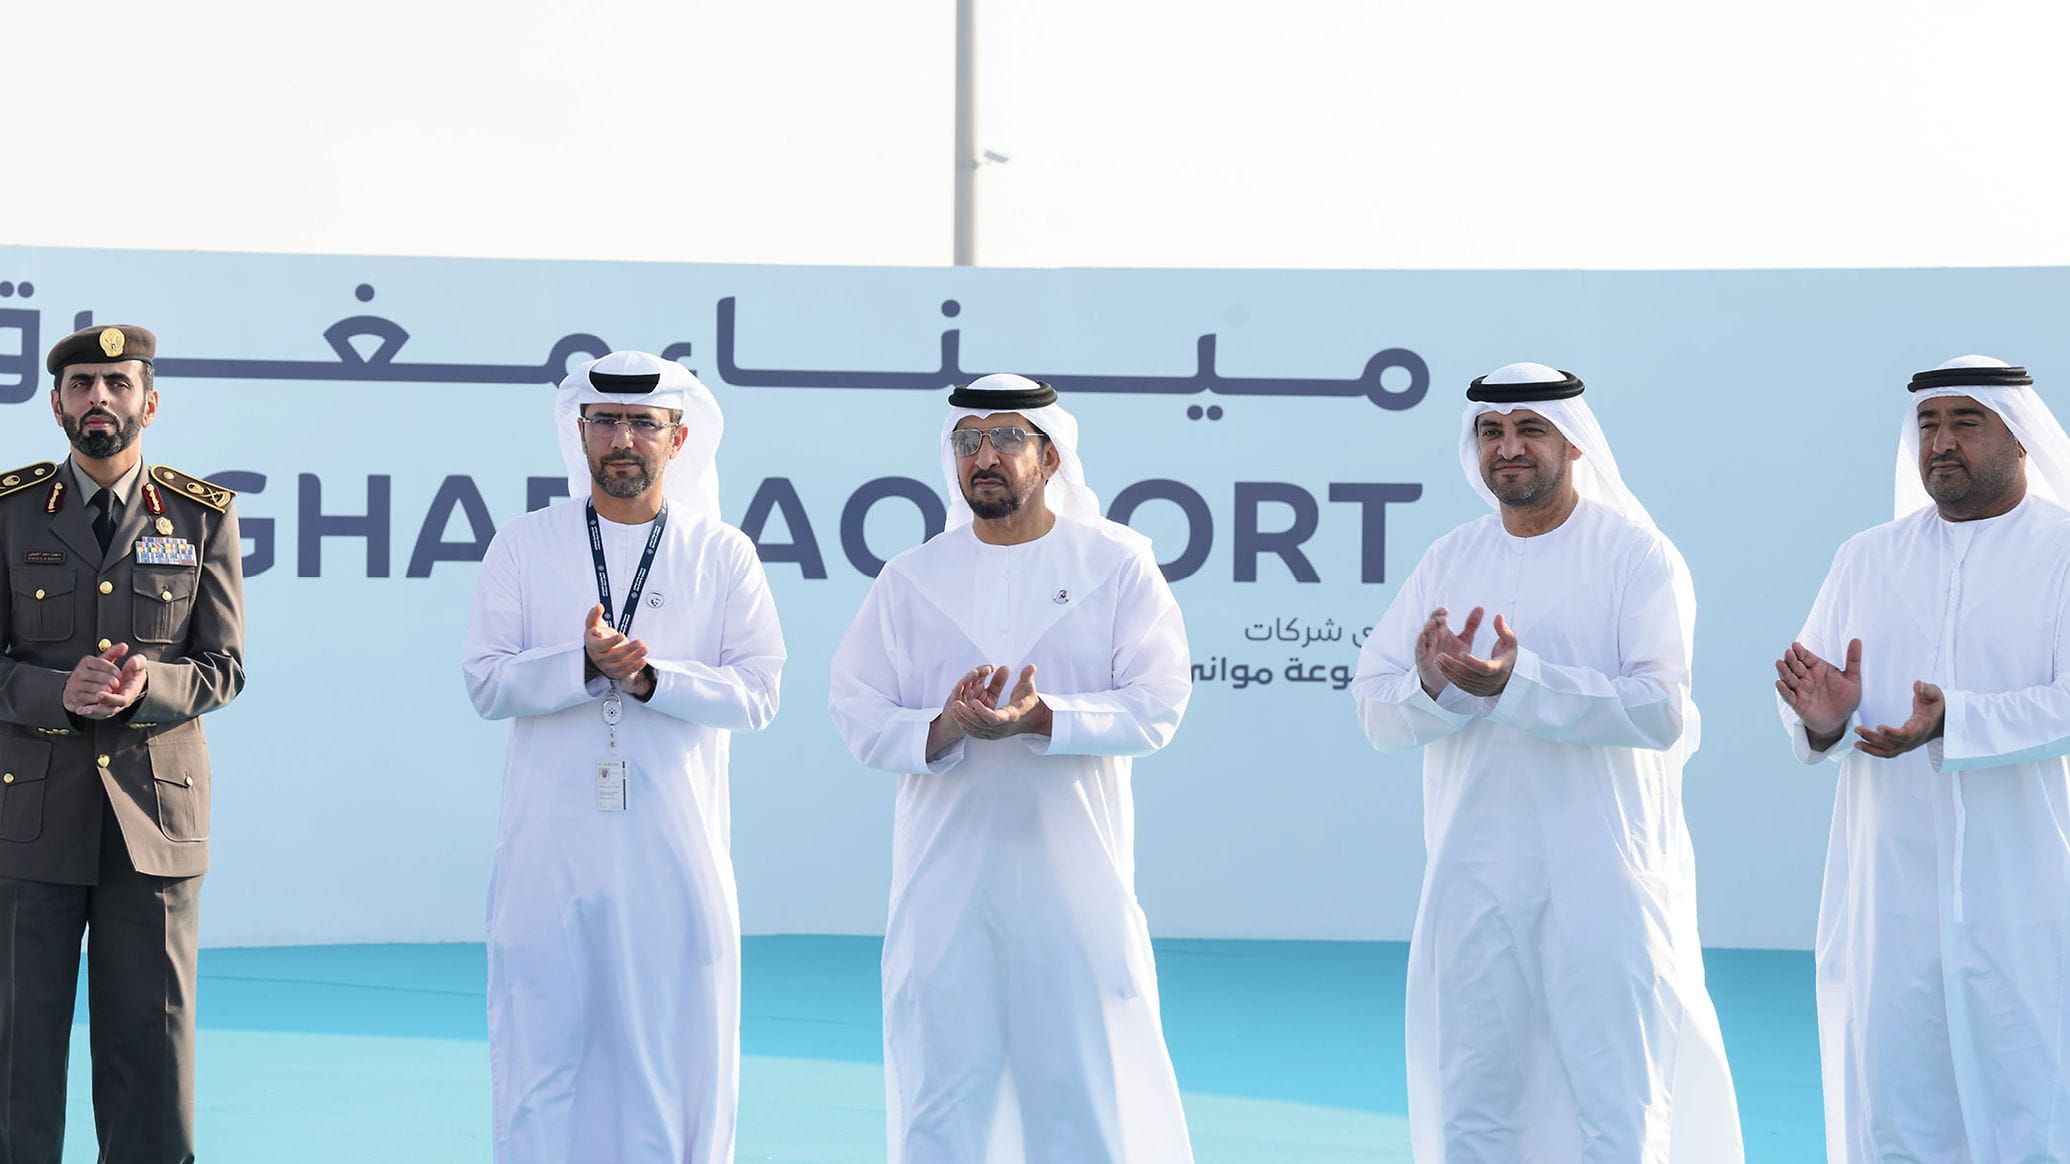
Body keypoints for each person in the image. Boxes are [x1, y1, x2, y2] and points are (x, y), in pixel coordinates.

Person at [1350, 362, 1742, 1161]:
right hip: (1474, 872)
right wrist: (1431, 683)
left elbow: (1661, 710)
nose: (1509, 448)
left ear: (1574, 442)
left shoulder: (1638, 556)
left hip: (1603, 871)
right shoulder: (1450, 558)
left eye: (1530, 428)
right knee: (1475, 1095)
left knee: (1615, 1099)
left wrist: (1515, 682)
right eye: (1491, 432)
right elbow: (1376, 709)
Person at [828, 374, 1194, 1163]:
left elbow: (1158, 704)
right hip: (944, 883)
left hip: (1073, 881)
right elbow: (856, 710)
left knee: (1079, 1093)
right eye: (967, 443)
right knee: (941, 1095)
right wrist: (944, 724)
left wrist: (1044, 718)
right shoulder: (912, 578)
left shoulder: (1117, 563)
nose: (982, 457)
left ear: (1051, 454)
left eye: (1003, 439)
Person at [461, 350, 784, 1163]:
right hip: (549, 849)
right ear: (580, 433)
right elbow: (488, 683)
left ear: (678, 440)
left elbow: (757, 693)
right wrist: (580, 668)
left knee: (676, 1049)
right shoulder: (524, 545)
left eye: (644, 423)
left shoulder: (723, 554)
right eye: (606, 421)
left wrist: (650, 679)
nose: (623, 439)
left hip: (674, 850)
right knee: (542, 1049)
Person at [1775, 355, 2070, 1161]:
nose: (1941, 442)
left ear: (2018, 436)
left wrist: (1955, 722)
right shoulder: (1867, 557)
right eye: (1928, 425)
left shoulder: (2062, 549)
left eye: (1963, 422)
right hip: (1890, 886)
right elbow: (1814, 688)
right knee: (1897, 1102)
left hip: (2025, 885)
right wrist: (1825, 719)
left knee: (2029, 1098)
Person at [0, 323, 246, 1161]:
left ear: (150, 400)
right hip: (30, 820)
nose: (97, 398)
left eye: (115, 382)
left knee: (151, 1043)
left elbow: (223, 666)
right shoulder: (9, 510)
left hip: (156, 823)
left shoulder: (201, 512)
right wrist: (52, 692)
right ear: (57, 403)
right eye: (80, 385)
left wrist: (152, 687)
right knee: (15, 1046)